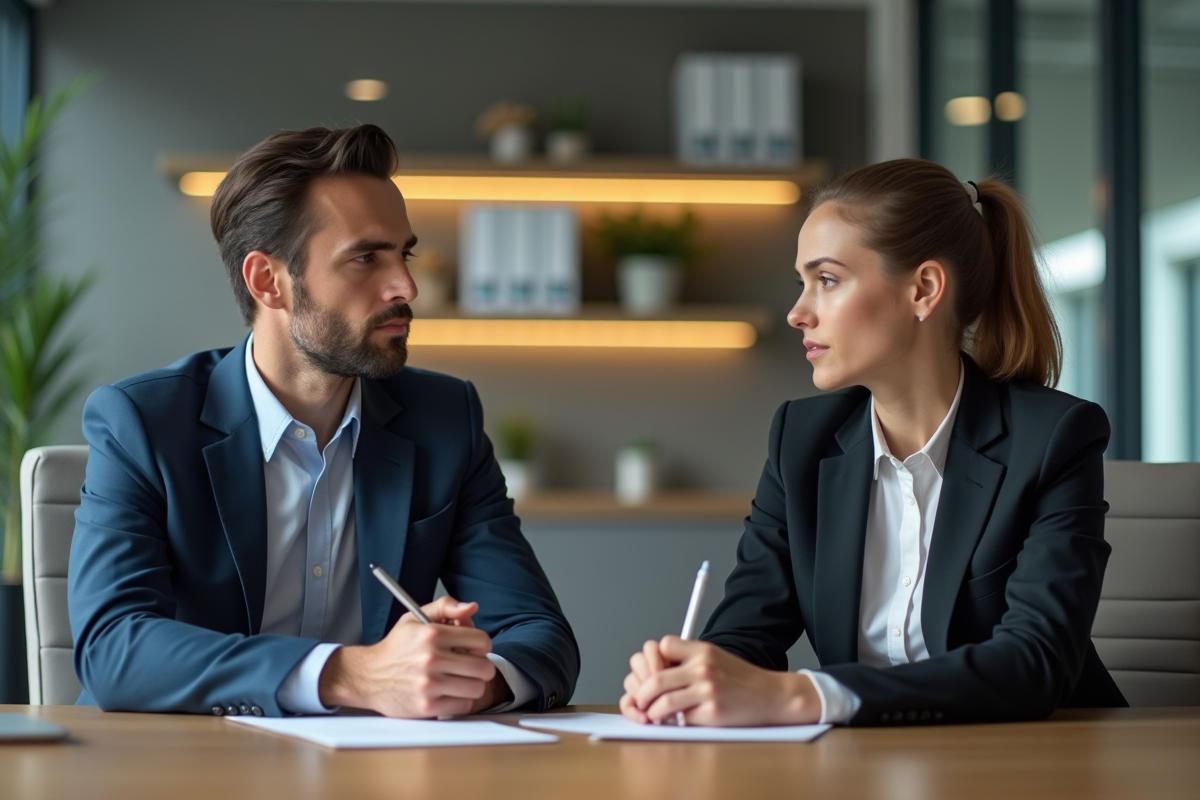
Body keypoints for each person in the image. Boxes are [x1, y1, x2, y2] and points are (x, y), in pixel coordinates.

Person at [69, 124, 579, 718]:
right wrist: (349, 675)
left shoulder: (444, 420)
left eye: (403, 254)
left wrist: (464, 678)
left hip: (371, 768)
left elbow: (538, 633)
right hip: (185, 762)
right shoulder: (143, 422)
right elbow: (113, 649)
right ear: (268, 281)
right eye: (365, 258)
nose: (407, 286)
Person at [620, 159, 1127, 727]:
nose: (797, 313)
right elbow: (747, 633)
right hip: (865, 768)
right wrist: (692, 680)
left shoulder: (1053, 439)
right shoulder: (800, 442)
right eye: (801, 283)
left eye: (827, 280)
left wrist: (805, 696)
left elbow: (1033, 664)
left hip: (1040, 767)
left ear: (923, 289)